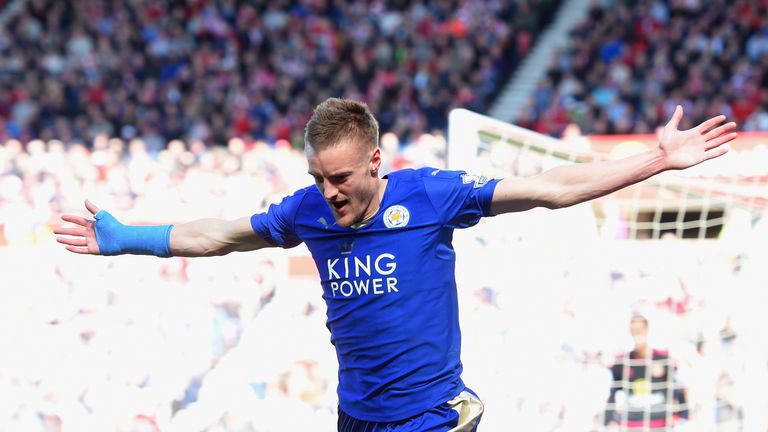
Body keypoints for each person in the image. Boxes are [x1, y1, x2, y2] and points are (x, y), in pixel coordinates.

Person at [55, 98, 737, 431]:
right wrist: (128, 239)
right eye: (320, 178)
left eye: (343, 177)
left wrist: (656, 159)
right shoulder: (307, 211)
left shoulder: (432, 195)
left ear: (377, 161)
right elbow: (222, 234)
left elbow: (553, 189)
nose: (331, 193)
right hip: (358, 417)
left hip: (427, 418)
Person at [604, 314, 689, 430]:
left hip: (659, 422)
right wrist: (608, 420)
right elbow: (613, 392)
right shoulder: (623, 363)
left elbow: (677, 387)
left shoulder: (662, 359)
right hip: (633, 423)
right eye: (634, 330)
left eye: (640, 329)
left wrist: (682, 415)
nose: (637, 333)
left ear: (647, 330)